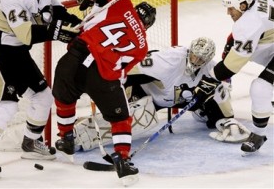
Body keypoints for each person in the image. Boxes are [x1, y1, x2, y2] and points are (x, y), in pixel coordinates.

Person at [0, 0, 82, 179]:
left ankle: (30, 142)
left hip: (18, 54)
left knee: (43, 97)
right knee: (7, 106)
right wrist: (57, 32)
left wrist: (82, 23)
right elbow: (27, 34)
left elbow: (61, 16)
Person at [52, 0, 156, 186]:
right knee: (120, 118)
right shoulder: (142, 45)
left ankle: (66, 137)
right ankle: (123, 160)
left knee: (65, 97)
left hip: (74, 58)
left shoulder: (121, 3)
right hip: (102, 74)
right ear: (148, 26)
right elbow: (123, 73)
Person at [73, 37, 250, 151]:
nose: (196, 61)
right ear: (189, 51)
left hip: (180, 98)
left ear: (208, 59)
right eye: (194, 56)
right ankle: (82, 133)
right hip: (151, 93)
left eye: (201, 59)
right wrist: (105, 86)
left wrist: (227, 118)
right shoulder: (168, 60)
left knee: (211, 116)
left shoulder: (211, 69)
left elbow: (222, 92)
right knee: (136, 116)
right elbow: (129, 72)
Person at [193, 0, 274, 154]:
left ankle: (258, 136)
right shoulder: (257, 1)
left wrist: (210, 78)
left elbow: (232, 66)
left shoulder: (250, 23)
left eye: (231, 9)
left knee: (260, 88)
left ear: (243, 5)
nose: (228, 13)